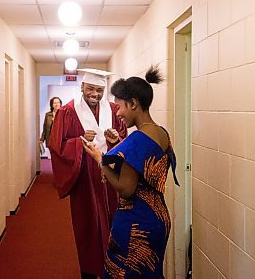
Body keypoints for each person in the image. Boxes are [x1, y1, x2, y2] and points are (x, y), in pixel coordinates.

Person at [81, 66, 179, 279]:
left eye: (119, 107)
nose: (117, 113)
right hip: (159, 217)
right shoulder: (160, 133)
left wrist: (100, 160)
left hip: (137, 222)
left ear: (133, 103)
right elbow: (143, 164)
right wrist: (119, 144)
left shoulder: (137, 139)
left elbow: (126, 189)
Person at [48, 69, 127, 279]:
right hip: (84, 177)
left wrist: (114, 138)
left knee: (115, 222)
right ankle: (90, 271)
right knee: (88, 226)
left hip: (111, 175)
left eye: (100, 90)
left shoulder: (113, 109)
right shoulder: (68, 111)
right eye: (91, 88)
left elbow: (123, 140)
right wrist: (79, 141)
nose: (95, 94)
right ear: (82, 87)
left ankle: (114, 268)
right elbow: (56, 146)